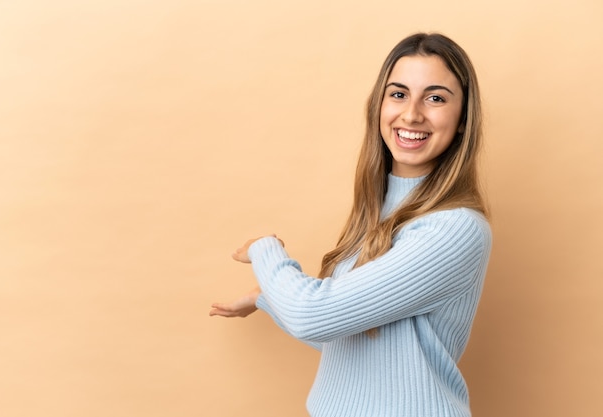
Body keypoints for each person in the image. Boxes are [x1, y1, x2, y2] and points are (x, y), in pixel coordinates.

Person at [210, 32, 492, 417]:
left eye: (436, 98)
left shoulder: (453, 229)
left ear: (462, 120)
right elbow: (354, 336)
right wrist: (267, 297)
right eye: (398, 94)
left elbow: (314, 316)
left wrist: (264, 249)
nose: (411, 114)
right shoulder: (378, 210)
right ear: (378, 105)